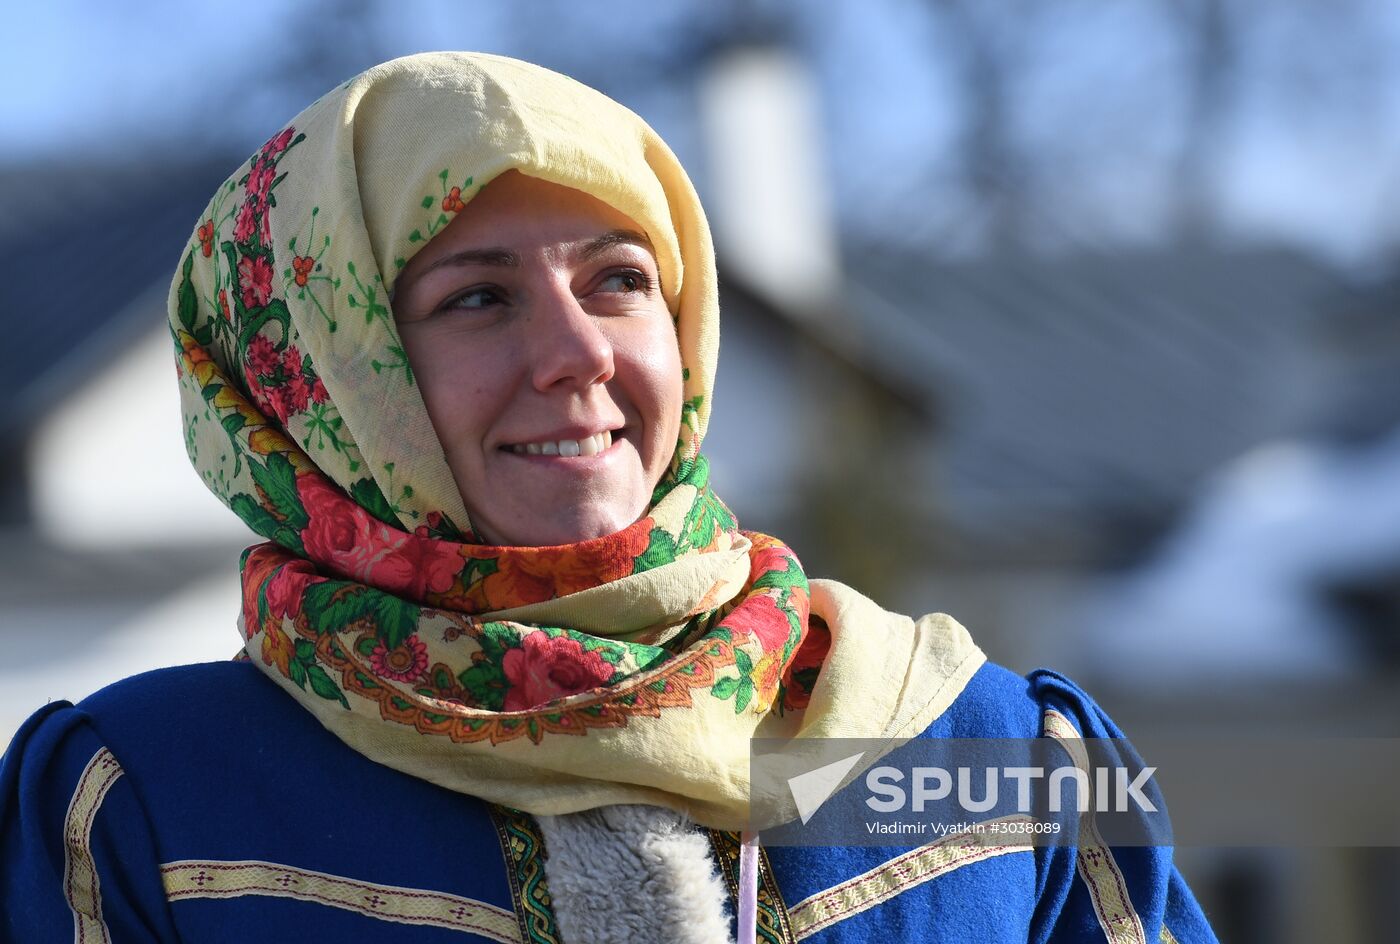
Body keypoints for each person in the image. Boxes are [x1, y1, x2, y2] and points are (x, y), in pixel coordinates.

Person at [0, 52, 1217, 943]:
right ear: (323, 376)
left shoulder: (992, 752)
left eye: (621, 279)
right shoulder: (152, 798)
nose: (576, 353)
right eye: (477, 296)